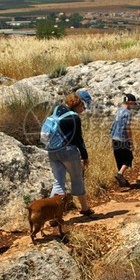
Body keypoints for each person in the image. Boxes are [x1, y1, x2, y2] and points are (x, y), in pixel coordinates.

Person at [47, 89, 97, 217]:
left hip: (52, 151)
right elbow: (78, 140)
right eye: (83, 106)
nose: (84, 109)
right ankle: (85, 208)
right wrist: (85, 156)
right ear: (78, 102)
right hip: (68, 151)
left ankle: (53, 215)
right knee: (77, 179)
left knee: (58, 182)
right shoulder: (74, 118)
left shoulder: (57, 109)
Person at [110, 93, 138, 187]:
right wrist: (131, 142)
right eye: (134, 104)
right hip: (123, 138)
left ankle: (122, 181)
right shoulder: (128, 113)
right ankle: (120, 174)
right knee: (129, 158)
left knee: (119, 159)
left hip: (114, 137)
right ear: (130, 102)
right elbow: (128, 128)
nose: (134, 106)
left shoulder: (119, 111)